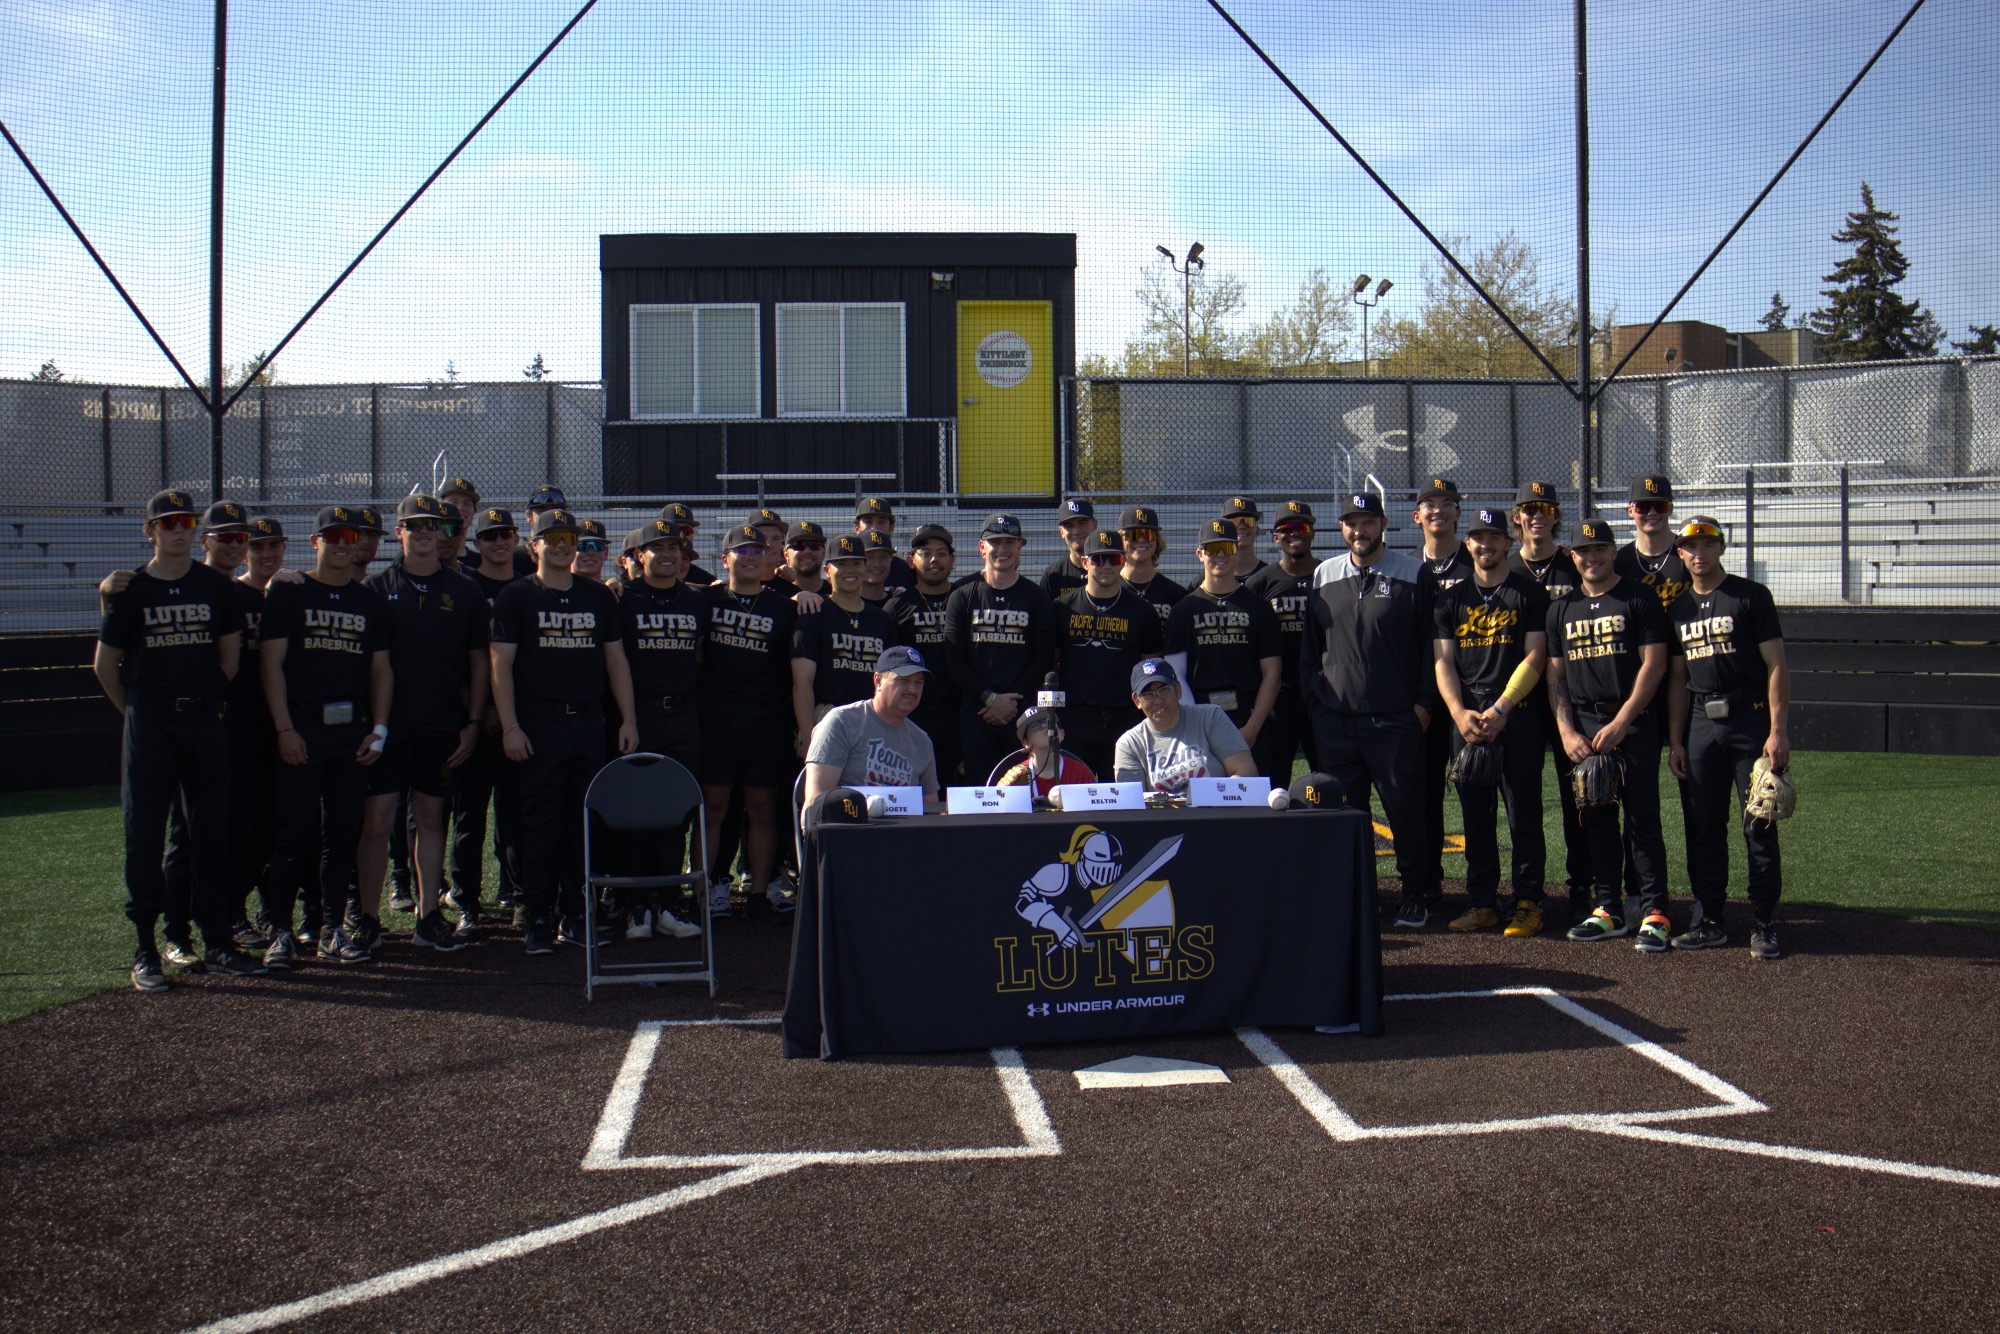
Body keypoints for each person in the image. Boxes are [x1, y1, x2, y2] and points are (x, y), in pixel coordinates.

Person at [94, 490, 262, 991]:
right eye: (167, 524)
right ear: (149, 532)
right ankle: (148, 948)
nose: (179, 530)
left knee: (211, 832)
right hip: (151, 721)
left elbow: (228, 663)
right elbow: (105, 666)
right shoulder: (130, 589)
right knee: (143, 833)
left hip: (203, 719)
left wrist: (193, 707)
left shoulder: (217, 588)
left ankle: (218, 941)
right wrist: (143, 715)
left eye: (186, 521)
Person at [490, 507, 638, 954]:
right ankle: (537, 914)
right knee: (541, 823)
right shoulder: (517, 597)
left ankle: (575, 914)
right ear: (534, 545)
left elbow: (616, 661)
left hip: (588, 721)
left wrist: (628, 718)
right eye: (551, 537)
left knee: (581, 823)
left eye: (568, 538)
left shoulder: (598, 598)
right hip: (539, 721)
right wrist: (510, 726)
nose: (561, 545)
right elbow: (501, 665)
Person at [258, 504, 394, 968]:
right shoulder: (288, 593)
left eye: (349, 537)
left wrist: (378, 729)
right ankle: (279, 928)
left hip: (350, 734)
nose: (341, 544)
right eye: (332, 536)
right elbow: (270, 665)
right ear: (314, 542)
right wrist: (284, 728)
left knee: (342, 834)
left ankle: (333, 928)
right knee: (293, 833)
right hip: (302, 729)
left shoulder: (369, 602)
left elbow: (380, 669)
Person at [1302, 492, 1442, 928]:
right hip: (1337, 722)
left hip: (1395, 720)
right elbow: (1311, 649)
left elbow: (1431, 648)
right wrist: (1318, 706)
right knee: (1346, 816)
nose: (1358, 531)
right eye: (1350, 523)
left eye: (1366, 522)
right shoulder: (1324, 574)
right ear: (1341, 527)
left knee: (1405, 813)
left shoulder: (1415, 573)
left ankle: (1415, 894)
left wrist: (1422, 705)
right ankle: (1359, 894)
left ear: (1383, 524)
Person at [358, 494, 488, 952]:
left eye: (435, 526)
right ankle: (367, 919)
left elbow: (478, 664)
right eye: (416, 526)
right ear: (400, 533)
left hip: (442, 726)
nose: (427, 533)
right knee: (377, 822)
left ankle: (428, 915)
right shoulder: (377, 589)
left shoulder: (465, 590)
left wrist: (473, 723)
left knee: (432, 819)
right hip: (390, 727)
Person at [1664, 516, 1791, 960]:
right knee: (1704, 826)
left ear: (1721, 547)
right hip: (1700, 721)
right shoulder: (1677, 609)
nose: (1698, 554)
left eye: (1707, 544)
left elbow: (1776, 665)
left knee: (1759, 820)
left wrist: (1777, 732)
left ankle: (1763, 922)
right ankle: (1710, 918)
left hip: (1748, 718)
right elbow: (1678, 679)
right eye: (1690, 547)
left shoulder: (1750, 596)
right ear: (1680, 553)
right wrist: (1676, 740)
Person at [1545, 516, 1672, 947]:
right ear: (1573, 556)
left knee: (1642, 819)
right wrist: (1565, 731)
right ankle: (1608, 908)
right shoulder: (1561, 609)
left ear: (1612, 552)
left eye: (1600, 549)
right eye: (1583, 550)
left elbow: (1654, 665)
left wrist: (1623, 722)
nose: (1591, 557)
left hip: (1631, 723)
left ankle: (1655, 910)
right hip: (1584, 726)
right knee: (1596, 819)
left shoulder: (1638, 598)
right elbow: (1556, 678)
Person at [1432, 508, 1551, 937]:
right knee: (1475, 818)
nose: (1486, 545)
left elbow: (1535, 656)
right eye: (1478, 538)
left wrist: (1501, 708)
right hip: (1467, 720)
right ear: (1469, 544)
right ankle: (1482, 901)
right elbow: (1443, 660)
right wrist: (1459, 713)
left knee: (1523, 814)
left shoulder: (1529, 594)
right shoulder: (1450, 598)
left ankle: (1527, 901)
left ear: (1509, 543)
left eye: (1494, 538)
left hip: (1515, 716)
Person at [698, 525, 801, 918]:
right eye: (742, 551)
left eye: (758, 550)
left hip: (765, 721)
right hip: (718, 718)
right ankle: (705, 888)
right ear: (725, 560)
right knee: (714, 806)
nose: (752, 556)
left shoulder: (786, 607)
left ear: (771, 559)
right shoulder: (706, 601)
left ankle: (757, 893)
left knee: (763, 807)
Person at [615, 518, 709, 941]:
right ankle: (637, 906)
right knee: (635, 813)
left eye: (675, 548)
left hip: (684, 717)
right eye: (658, 548)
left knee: (676, 813)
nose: (669, 555)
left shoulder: (696, 601)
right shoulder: (622, 597)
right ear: (639, 556)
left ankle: (670, 904)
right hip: (641, 716)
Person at [1507, 480, 1592, 920]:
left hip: (1567, 698)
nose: (1537, 515)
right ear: (1516, 516)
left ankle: (1583, 884)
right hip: (1521, 701)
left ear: (1556, 515)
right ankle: (1529, 891)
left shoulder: (1574, 564)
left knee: (1578, 794)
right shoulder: (1506, 568)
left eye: (1545, 507)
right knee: (1523, 800)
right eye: (1529, 508)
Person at [451, 506, 527, 934]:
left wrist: (511, 714)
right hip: (477, 720)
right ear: (476, 543)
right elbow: (461, 661)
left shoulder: (529, 586)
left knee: (516, 816)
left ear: (517, 539)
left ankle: (519, 895)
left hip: (519, 719)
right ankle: (466, 901)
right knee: (469, 818)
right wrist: (482, 713)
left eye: (506, 535)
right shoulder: (465, 588)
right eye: (490, 536)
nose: (499, 542)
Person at [943, 514, 1060, 784]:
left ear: (1021, 546)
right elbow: (955, 661)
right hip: (976, 711)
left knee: (1021, 789)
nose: (1003, 549)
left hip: (1022, 713)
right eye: (995, 542)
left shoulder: (1036, 597)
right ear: (982, 547)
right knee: (979, 789)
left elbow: (1043, 659)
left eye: (1010, 542)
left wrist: (1010, 702)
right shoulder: (962, 594)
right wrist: (990, 699)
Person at [1165, 518, 1282, 755]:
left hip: (1249, 720)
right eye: (1211, 549)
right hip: (1200, 720)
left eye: (1227, 548)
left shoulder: (1259, 608)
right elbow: (1176, 674)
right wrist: (1196, 724)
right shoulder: (1183, 610)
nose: (1220, 555)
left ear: (1237, 551)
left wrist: (1253, 727)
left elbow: (1273, 673)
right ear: (1200, 553)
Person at [1054, 531, 1162, 780]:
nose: (1105, 566)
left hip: (1124, 720)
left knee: (1124, 799)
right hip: (1075, 720)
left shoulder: (1142, 611)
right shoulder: (1062, 608)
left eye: (1113, 559)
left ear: (1123, 561)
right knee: (1071, 798)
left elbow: (1151, 670)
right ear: (1084, 562)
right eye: (1097, 559)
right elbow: (1052, 664)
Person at [1411, 478, 1470, 928]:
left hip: (1476, 695)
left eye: (1446, 504)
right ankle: (1429, 879)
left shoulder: (1477, 561)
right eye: (1429, 505)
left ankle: (1484, 889)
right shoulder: (1407, 569)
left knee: (1477, 791)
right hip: (1429, 700)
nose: (1437, 511)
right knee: (1426, 792)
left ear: (1456, 514)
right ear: (1417, 516)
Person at [792, 534, 899, 742]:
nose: (850, 570)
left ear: (866, 567)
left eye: (856, 563)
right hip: (827, 723)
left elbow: (890, 682)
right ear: (827, 570)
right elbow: (802, 683)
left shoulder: (882, 620)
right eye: (841, 564)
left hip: (872, 726)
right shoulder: (814, 615)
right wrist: (807, 735)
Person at [1242, 500, 1321, 781]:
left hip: (1323, 694)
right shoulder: (1259, 583)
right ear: (1276, 536)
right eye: (1286, 528)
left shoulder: (1331, 576)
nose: (1294, 533)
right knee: (1274, 781)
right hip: (1278, 698)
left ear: (1313, 532)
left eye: (1302, 526)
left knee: (1331, 780)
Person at [802, 645, 941, 803]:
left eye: (919, 683)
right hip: (849, 825)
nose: (912, 689)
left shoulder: (922, 741)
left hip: (903, 827)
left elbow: (931, 811)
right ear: (878, 681)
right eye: (903, 680)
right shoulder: (842, 722)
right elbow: (816, 802)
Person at [885, 523, 963, 786]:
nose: (934, 560)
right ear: (910, 560)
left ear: (952, 559)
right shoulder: (897, 606)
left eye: (941, 553)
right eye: (925, 553)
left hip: (960, 716)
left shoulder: (967, 598)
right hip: (912, 717)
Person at [1112, 658, 1256, 795]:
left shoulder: (1210, 716)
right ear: (1137, 701)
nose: (1157, 701)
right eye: (1148, 695)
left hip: (1216, 815)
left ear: (1178, 690)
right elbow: (1132, 805)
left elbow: (1246, 772)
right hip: (1162, 820)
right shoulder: (1129, 744)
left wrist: (1214, 797)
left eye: (1164, 690)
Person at [996, 706, 1093, 795]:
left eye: (1050, 722)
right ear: (1025, 743)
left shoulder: (1081, 773)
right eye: (1035, 726)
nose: (1044, 726)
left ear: (1062, 734)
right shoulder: (1017, 777)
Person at [1117, 505, 1186, 626]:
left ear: (1157, 540)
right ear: (1120, 540)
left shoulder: (1176, 594)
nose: (1141, 540)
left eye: (1148, 534)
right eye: (1133, 534)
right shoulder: (1109, 589)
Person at [1038, 497, 1097, 599]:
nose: (1076, 531)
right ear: (1061, 532)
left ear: (1095, 525)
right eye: (1069, 526)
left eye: (1082, 523)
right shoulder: (1052, 575)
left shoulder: (1111, 570)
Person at [854, 497, 916, 591]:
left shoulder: (905, 571)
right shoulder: (847, 568)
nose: (874, 528)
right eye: (868, 522)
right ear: (857, 528)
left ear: (891, 528)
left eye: (881, 522)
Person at [1220, 497, 1268, 580]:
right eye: (1234, 521)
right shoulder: (1209, 580)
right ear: (1223, 531)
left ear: (1257, 531)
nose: (1242, 526)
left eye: (1248, 521)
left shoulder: (1270, 576)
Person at [779, 520, 828, 597]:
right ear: (786, 554)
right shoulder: (777, 592)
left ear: (824, 552)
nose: (807, 551)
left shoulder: (836, 593)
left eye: (814, 545)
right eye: (799, 545)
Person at [858, 528, 898, 604]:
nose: (877, 564)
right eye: (869, 557)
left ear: (891, 559)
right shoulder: (842, 605)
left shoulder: (900, 606)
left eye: (883, 556)